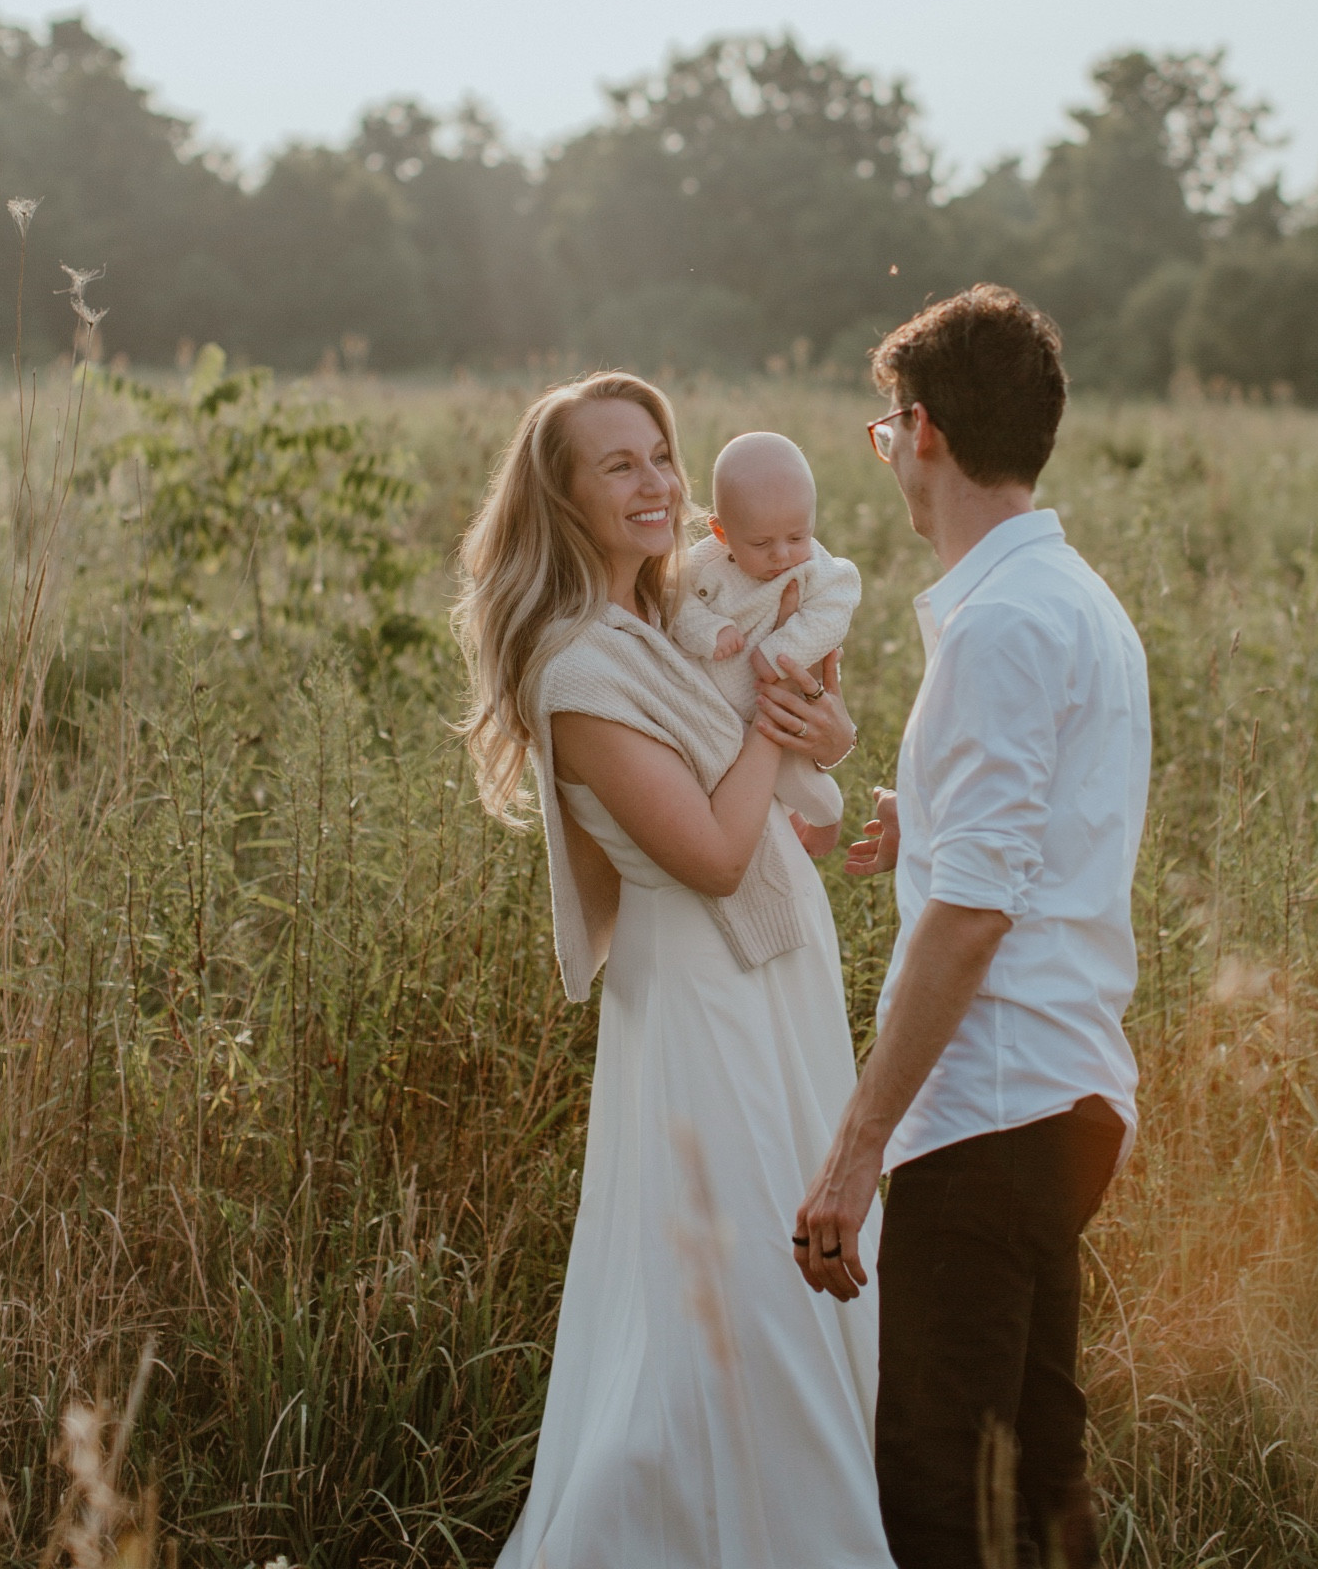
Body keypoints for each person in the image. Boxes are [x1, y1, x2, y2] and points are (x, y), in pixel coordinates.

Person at [452, 372, 895, 1569]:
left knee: (800, 1267)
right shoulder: (576, 667)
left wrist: (818, 729)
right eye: (618, 463)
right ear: (565, 494)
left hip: (776, 979)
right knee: (742, 1284)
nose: (653, 481)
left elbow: (787, 808)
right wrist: (765, 720)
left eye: (660, 454)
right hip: (702, 998)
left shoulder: (677, 618)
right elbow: (706, 853)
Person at [792, 286, 1150, 1569]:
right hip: (1066, 1096)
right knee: (1037, 1482)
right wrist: (927, 821)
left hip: (990, 1106)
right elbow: (1032, 840)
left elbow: (977, 913)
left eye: (883, 428)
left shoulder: (998, 623)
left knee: (943, 1495)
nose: (882, 451)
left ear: (922, 429)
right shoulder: (1074, 599)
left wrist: (852, 1152)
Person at [673, 430, 863, 833]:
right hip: (713, 710)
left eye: (797, 536)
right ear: (721, 532)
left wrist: (781, 649)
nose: (782, 555)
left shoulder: (817, 567)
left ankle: (826, 820)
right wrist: (711, 629)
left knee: (800, 780)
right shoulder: (704, 562)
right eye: (759, 543)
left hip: (785, 703)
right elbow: (672, 600)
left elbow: (833, 611)